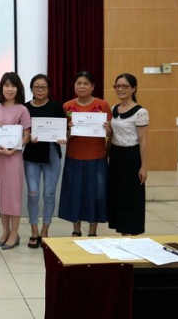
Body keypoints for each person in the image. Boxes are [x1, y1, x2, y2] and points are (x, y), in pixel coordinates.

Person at [58, 71, 112, 237]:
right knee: (75, 193)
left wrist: (108, 130)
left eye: (86, 83)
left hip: (97, 158)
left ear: (93, 86)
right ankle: (76, 229)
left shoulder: (102, 105)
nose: (82, 86)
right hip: (74, 157)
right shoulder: (67, 106)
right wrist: (67, 132)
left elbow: (110, 133)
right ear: (74, 86)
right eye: (78, 83)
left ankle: (93, 231)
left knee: (96, 194)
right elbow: (64, 136)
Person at [0, 72, 31, 250]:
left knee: (12, 197)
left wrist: (13, 149)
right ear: (1, 88)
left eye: (13, 86)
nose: (10, 89)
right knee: (1, 195)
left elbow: (27, 135)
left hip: (13, 158)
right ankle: (5, 232)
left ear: (18, 89)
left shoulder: (22, 110)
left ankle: (14, 233)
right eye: (6, 85)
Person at [23, 74, 67, 248]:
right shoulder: (25, 108)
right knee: (33, 193)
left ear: (48, 89)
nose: (40, 90)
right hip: (31, 155)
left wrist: (63, 138)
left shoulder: (56, 107)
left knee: (49, 194)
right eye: (37, 86)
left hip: (51, 153)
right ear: (32, 89)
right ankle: (34, 231)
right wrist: (28, 138)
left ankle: (45, 231)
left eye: (43, 87)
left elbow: (64, 131)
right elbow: (22, 132)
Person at [107, 73, 149, 235]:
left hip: (131, 157)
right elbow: (112, 135)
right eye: (117, 86)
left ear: (133, 88)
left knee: (130, 195)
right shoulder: (114, 109)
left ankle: (132, 232)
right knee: (117, 194)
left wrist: (144, 166)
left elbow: (143, 140)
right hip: (115, 155)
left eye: (124, 86)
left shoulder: (140, 112)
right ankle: (122, 232)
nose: (120, 89)